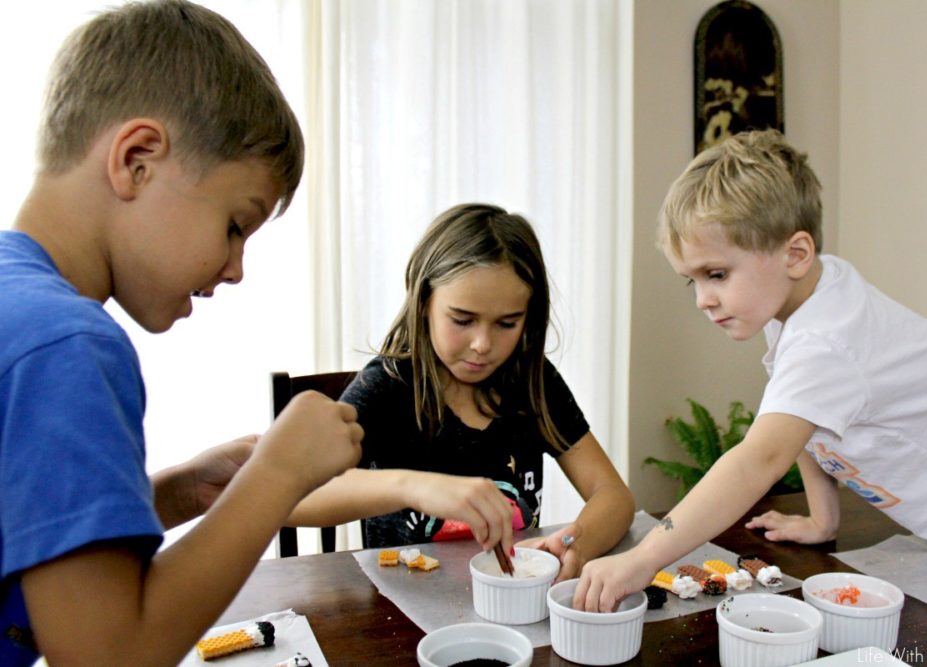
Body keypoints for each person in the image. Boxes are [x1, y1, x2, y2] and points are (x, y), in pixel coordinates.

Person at [0, 2, 364, 665]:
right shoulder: (66, 342)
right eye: (235, 223)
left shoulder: (14, 303)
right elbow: (109, 654)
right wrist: (277, 475)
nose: (236, 268)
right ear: (137, 160)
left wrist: (172, 495)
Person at [573, 129, 927, 612]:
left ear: (795, 254)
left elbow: (760, 459)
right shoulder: (809, 297)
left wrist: (642, 559)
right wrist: (823, 520)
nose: (702, 299)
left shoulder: (825, 338)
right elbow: (806, 421)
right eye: (690, 280)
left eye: (716, 274)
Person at [288, 202, 635, 580]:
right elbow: (294, 497)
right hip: (402, 609)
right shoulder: (388, 385)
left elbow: (613, 496)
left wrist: (576, 543)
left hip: (510, 601)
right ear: (424, 303)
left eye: (507, 323)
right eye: (462, 320)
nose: (482, 344)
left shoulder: (532, 380)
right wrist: (412, 487)